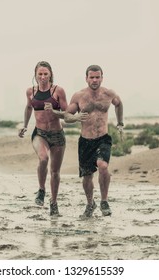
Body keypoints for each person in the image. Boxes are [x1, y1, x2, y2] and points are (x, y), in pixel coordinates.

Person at [45, 65, 124, 218]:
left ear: (102, 77)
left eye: (97, 77)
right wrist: (71, 116)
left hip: (103, 138)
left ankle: (104, 201)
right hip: (86, 141)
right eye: (92, 77)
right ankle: (90, 203)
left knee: (103, 166)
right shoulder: (79, 96)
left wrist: (120, 123)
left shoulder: (109, 94)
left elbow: (119, 104)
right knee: (87, 177)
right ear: (86, 78)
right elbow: (68, 116)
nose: (95, 80)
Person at [18, 61, 68, 216]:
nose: (43, 77)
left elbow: (67, 112)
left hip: (57, 135)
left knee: (55, 172)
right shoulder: (30, 91)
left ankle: (53, 203)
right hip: (40, 133)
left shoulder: (58, 91)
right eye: (40, 74)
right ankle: (41, 190)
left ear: (50, 74)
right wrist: (25, 126)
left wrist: (54, 110)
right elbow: (28, 108)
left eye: (46, 74)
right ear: (35, 75)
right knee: (43, 158)